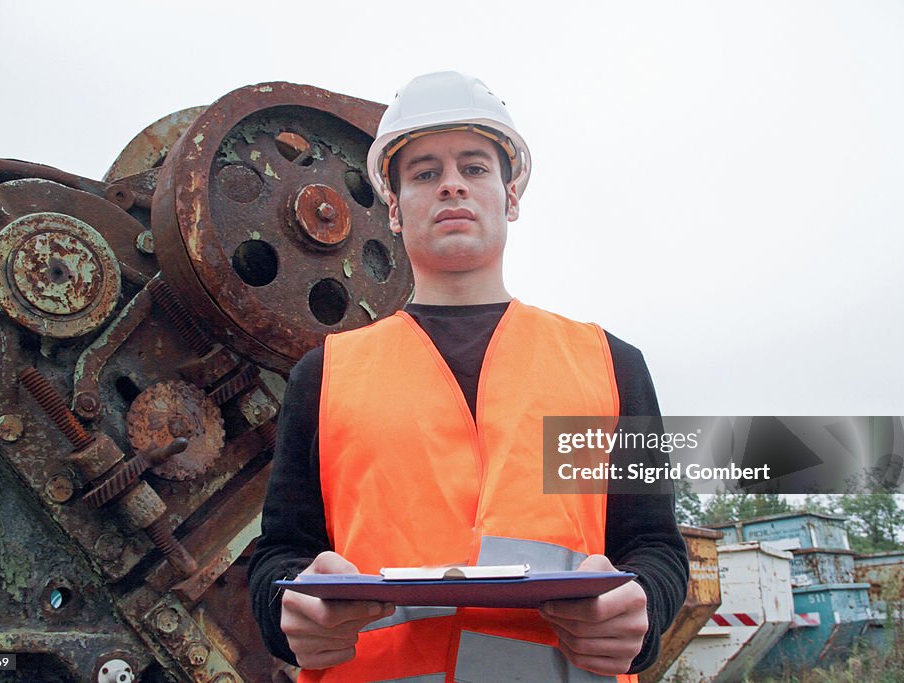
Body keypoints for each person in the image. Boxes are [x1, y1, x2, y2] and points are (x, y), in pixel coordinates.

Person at [248, 71, 688, 682]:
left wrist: (642, 612)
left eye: (475, 168)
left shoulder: (610, 364)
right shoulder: (325, 375)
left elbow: (656, 547)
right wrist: (285, 609)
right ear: (395, 209)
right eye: (425, 172)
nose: (452, 184)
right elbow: (278, 554)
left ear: (510, 197)